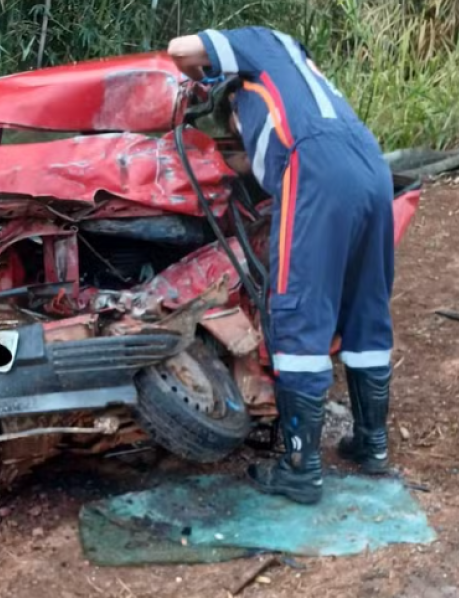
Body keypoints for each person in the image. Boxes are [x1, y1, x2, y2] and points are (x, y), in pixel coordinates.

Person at [167, 27, 395, 505]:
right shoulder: (303, 81)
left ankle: (300, 469)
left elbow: (179, 50)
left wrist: (198, 82)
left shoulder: (256, 45)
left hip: (314, 171)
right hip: (371, 166)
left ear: (231, 101)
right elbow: (258, 157)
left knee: (297, 312)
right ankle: (372, 445)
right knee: (365, 308)